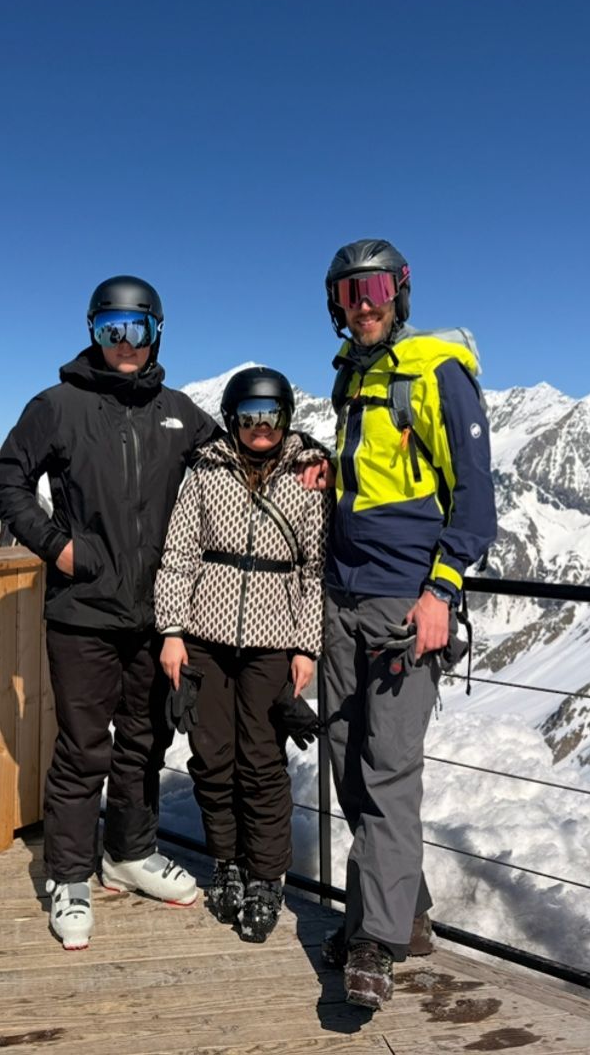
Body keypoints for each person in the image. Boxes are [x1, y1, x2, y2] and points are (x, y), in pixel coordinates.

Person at [0, 275, 222, 951]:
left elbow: (235, 463)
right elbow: (6, 481)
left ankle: (129, 853)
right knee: (83, 749)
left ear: (157, 333)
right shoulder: (57, 406)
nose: (124, 343)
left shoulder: (180, 413)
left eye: (136, 328)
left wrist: (305, 466)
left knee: (145, 743)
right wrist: (56, 548)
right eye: (109, 329)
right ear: (92, 332)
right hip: (82, 613)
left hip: (156, 615)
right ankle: (68, 875)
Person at [303, 239, 497, 1009]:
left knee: (388, 771)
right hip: (342, 596)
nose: (364, 304)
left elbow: (476, 502)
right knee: (349, 764)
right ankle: (404, 915)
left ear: (402, 292)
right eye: (348, 293)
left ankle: (374, 943)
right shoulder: (352, 378)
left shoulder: (438, 372)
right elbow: (380, 472)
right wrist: (331, 472)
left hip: (402, 605)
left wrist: (439, 593)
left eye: (376, 287)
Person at [154, 366, 330, 943]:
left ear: (286, 417)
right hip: (203, 635)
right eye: (250, 415)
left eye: (272, 414)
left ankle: (266, 875)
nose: (261, 426)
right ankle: (226, 863)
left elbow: (313, 568)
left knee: (260, 762)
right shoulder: (206, 468)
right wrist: (173, 631)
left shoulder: (310, 472)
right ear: (232, 418)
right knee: (210, 757)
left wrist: (306, 646)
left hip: (272, 640)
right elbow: (179, 552)